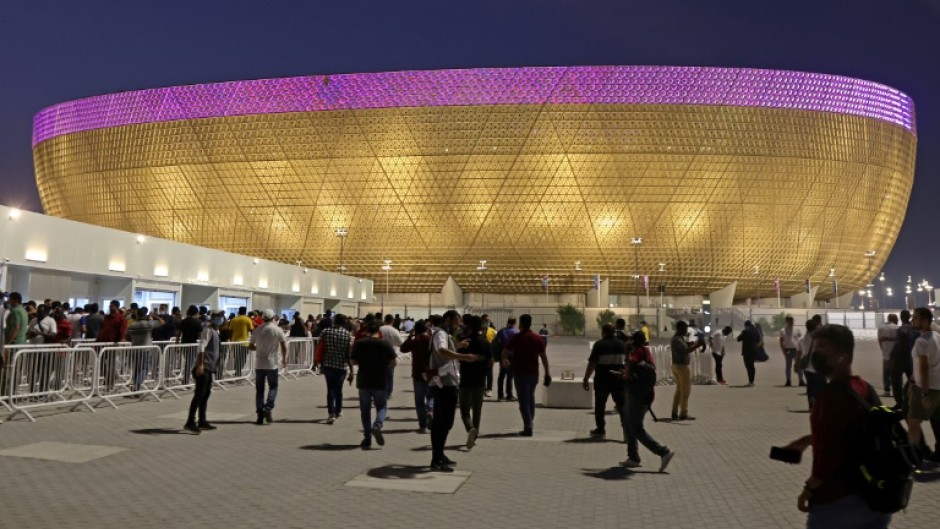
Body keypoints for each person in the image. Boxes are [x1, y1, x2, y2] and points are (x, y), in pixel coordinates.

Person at [782, 324, 891, 528]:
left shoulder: (829, 397)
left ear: (842, 356)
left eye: (822, 349)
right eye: (814, 348)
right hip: (875, 498)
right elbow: (854, 434)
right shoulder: (863, 387)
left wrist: (808, 489)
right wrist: (808, 440)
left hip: (839, 501)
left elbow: (830, 456)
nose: (815, 354)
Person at [427, 311, 480, 470]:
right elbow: (442, 351)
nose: (459, 324)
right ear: (448, 320)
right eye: (457, 321)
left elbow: (443, 351)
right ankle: (436, 458)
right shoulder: (441, 333)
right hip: (444, 383)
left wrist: (457, 346)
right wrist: (463, 356)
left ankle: (439, 454)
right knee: (443, 422)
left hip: (446, 382)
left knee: (444, 422)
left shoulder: (443, 334)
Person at [621, 331, 675, 472]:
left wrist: (626, 353)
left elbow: (629, 367)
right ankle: (633, 457)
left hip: (637, 396)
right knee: (631, 423)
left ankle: (663, 452)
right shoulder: (646, 351)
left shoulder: (638, 352)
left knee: (636, 427)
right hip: (646, 395)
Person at [350, 320, 398, 449]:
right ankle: (377, 425)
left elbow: (353, 361)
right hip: (379, 380)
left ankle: (367, 437)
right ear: (379, 331)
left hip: (363, 380)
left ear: (366, 331)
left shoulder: (360, 344)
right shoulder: (385, 344)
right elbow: (393, 363)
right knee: (381, 406)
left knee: (365, 411)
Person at [503, 313, 551, 436]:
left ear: (521, 324)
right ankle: (530, 422)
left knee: (523, 401)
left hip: (520, 373)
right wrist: (547, 373)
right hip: (534, 373)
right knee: (530, 398)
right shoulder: (537, 338)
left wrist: (505, 360)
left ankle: (528, 426)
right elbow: (544, 357)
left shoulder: (516, 338)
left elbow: (505, 352)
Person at [582, 323, 628, 438]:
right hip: (619, 381)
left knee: (600, 406)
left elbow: (592, 363)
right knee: (622, 407)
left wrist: (586, 378)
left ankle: (600, 429)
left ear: (604, 332)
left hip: (602, 380)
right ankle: (627, 431)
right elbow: (628, 363)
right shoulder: (623, 345)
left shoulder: (599, 345)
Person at [906, 307, 940, 451]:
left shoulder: (922, 341)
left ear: (925, 322)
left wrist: (924, 394)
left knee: (912, 421)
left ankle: (914, 454)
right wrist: (912, 381)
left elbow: (924, 368)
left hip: (927, 387)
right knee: (937, 420)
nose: (912, 320)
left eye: (916, 317)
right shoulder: (937, 336)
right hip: (937, 386)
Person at [184, 311, 222, 433]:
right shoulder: (208, 331)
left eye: (221, 317)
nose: (220, 319)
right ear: (213, 319)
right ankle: (190, 421)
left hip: (210, 368)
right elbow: (201, 347)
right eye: (218, 317)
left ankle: (202, 420)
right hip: (204, 367)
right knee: (199, 395)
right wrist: (200, 364)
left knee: (205, 395)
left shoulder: (216, 331)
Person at [249, 309, 287, 425]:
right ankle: (268, 407)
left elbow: (250, 346)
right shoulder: (277, 330)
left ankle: (260, 414)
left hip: (259, 364)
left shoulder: (257, 330)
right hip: (272, 363)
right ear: (273, 318)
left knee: (259, 390)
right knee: (273, 387)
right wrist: (284, 359)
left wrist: (259, 348)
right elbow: (283, 345)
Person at [458, 315, 491, 450]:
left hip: (466, 380)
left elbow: (458, 357)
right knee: (477, 410)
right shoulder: (485, 343)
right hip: (479, 380)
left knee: (465, 410)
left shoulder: (464, 341)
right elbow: (490, 362)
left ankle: (470, 428)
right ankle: (474, 435)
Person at [317, 314, 353, 424]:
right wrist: (351, 370)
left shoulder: (325, 332)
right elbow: (349, 353)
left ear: (334, 321)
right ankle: (338, 410)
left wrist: (317, 361)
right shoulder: (347, 334)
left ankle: (330, 414)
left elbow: (320, 346)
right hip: (342, 366)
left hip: (328, 365)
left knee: (330, 389)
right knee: (339, 389)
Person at [400, 320, 432, 433]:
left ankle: (422, 425)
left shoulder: (415, 341)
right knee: (431, 396)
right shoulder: (430, 340)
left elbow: (403, 349)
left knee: (419, 400)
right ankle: (430, 411)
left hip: (418, 373)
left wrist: (410, 336)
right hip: (430, 373)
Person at [126, 307, 158, 391]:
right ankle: (136, 385)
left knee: (136, 369)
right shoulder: (148, 324)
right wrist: (151, 318)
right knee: (145, 368)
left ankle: (136, 387)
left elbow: (127, 336)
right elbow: (162, 323)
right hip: (145, 349)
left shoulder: (132, 325)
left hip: (135, 349)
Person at [670, 321, 694, 420]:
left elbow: (684, 346)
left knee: (679, 391)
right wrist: (697, 345)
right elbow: (684, 351)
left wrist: (691, 343)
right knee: (685, 391)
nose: (686, 330)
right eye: (684, 328)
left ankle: (674, 412)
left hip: (677, 366)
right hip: (681, 367)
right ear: (679, 328)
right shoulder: (677, 339)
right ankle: (683, 413)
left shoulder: (678, 339)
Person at [177, 306, 203, 386]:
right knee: (190, 362)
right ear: (196, 313)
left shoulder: (183, 321)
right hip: (193, 344)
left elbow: (178, 334)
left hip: (184, 344)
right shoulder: (197, 322)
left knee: (188, 362)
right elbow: (200, 335)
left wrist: (176, 343)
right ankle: (186, 380)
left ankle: (187, 378)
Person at [378, 314, 403, 399]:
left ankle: (381, 391)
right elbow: (400, 344)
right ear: (392, 321)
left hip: (380, 355)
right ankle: (388, 392)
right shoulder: (395, 331)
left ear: (384, 320)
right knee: (390, 375)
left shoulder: (379, 329)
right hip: (391, 355)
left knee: (380, 375)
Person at [495, 317, 518, 401]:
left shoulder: (501, 331)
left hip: (503, 355)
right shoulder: (516, 332)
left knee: (501, 375)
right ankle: (509, 394)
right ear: (515, 322)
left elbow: (496, 342)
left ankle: (500, 395)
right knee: (510, 375)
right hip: (512, 355)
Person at [877, 314, 899, 398]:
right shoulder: (897, 328)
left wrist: (883, 349)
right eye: (897, 319)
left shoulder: (881, 328)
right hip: (895, 355)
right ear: (894, 319)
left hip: (885, 354)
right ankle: (897, 391)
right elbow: (899, 340)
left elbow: (879, 340)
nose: (897, 320)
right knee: (896, 374)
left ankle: (887, 391)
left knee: (886, 374)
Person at [779, 316, 804, 387]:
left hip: (796, 350)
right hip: (788, 350)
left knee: (799, 366)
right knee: (788, 366)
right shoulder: (783, 330)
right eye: (789, 321)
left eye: (792, 321)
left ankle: (801, 381)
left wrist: (801, 350)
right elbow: (781, 341)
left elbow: (801, 339)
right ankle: (788, 381)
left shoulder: (797, 330)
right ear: (786, 321)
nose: (791, 322)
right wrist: (783, 351)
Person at [229, 306, 254, 376]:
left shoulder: (234, 320)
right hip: (244, 343)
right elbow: (251, 330)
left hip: (235, 342)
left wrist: (231, 340)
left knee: (236, 358)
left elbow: (230, 331)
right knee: (243, 359)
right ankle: (238, 373)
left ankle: (237, 372)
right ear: (245, 311)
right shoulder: (247, 319)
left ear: (238, 311)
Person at [737, 320, 762, 387]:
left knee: (748, 366)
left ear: (746, 325)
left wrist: (743, 333)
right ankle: (752, 381)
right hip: (754, 351)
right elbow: (758, 341)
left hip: (746, 352)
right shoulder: (756, 331)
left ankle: (750, 382)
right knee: (752, 366)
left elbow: (738, 339)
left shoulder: (745, 331)